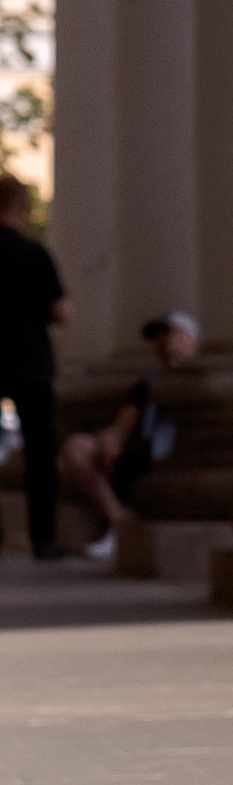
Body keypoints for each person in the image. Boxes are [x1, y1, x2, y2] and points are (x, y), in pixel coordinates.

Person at [60, 309, 200, 558]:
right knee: (77, 447)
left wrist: (179, 366)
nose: (163, 344)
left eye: (170, 336)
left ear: (189, 340)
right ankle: (121, 524)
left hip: (180, 455)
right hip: (144, 451)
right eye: (158, 338)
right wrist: (109, 440)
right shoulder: (148, 381)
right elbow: (124, 423)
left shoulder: (201, 379)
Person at [0, 171, 68, 557]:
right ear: (21, 210)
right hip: (29, 362)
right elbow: (59, 309)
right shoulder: (34, 254)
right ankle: (43, 538)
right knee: (41, 455)